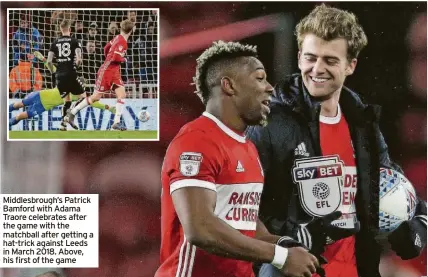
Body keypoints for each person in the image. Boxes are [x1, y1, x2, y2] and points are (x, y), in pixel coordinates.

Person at [246, 4, 427, 277]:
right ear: (298, 58)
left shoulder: (362, 125)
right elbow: (237, 205)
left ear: (350, 65)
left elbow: (392, 182)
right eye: (310, 58)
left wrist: (419, 223)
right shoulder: (269, 125)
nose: (317, 69)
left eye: (330, 60)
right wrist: (285, 241)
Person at [156, 40, 321, 277]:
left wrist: (289, 245)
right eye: (260, 77)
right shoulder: (196, 141)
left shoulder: (247, 147)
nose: (270, 88)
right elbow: (200, 229)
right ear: (229, 85)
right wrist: (280, 257)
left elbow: (246, 227)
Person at [65, 19, 135, 131]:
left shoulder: (117, 37)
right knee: (96, 97)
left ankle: (116, 122)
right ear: (131, 31)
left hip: (114, 71)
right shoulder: (123, 42)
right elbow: (116, 57)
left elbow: (106, 48)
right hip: (107, 72)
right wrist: (124, 59)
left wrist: (107, 58)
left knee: (122, 94)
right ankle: (72, 113)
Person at [9, 87, 115, 128]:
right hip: (40, 94)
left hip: (44, 106)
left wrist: (107, 107)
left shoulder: (77, 96)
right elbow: (54, 69)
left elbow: (92, 102)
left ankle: (9, 123)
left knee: (24, 116)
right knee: (20, 104)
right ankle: (6, 109)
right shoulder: (65, 83)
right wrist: (44, 60)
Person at [47, 19, 84, 129]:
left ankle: (63, 124)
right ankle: (70, 114)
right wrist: (77, 66)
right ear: (70, 29)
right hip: (70, 73)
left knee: (66, 100)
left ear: (60, 29)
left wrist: (54, 73)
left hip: (59, 75)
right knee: (83, 98)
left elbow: (49, 61)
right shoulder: (74, 41)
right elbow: (79, 60)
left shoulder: (54, 42)